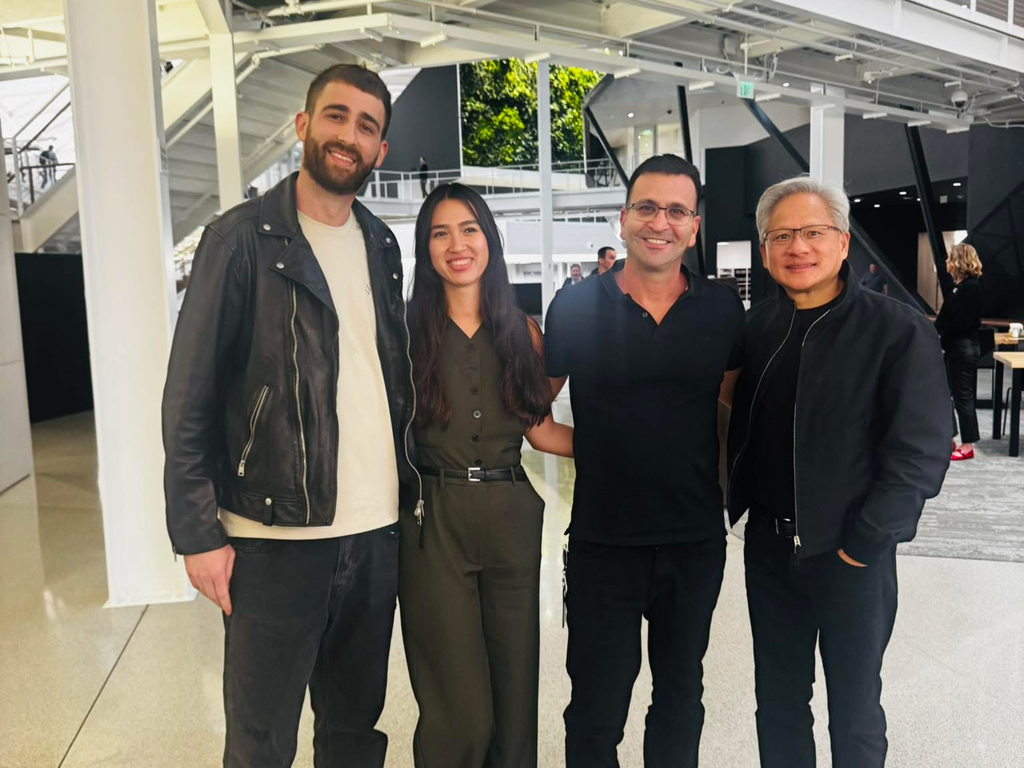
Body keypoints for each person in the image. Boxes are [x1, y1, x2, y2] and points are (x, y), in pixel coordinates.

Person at [162, 64, 416, 768]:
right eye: (336, 116)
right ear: (303, 126)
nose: (349, 135)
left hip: (374, 535)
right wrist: (196, 531)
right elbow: (189, 397)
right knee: (261, 738)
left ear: (380, 150)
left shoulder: (381, 245)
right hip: (272, 539)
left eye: (367, 126)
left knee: (354, 730)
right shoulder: (240, 240)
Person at [725, 176, 951, 768]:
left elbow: (921, 451)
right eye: (782, 236)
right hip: (771, 553)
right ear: (766, 249)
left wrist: (865, 543)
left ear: (843, 243)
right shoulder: (757, 330)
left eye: (813, 232)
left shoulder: (896, 330)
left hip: (852, 555)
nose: (798, 247)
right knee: (777, 703)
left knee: (854, 711)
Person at [545, 154, 745, 768]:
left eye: (677, 210)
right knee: (596, 707)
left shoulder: (720, 311)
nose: (660, 222)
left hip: (693, 540)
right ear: (623, 218)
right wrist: (605, 444)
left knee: (682, 695)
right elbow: (532, 416)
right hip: (605, 543)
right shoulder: (575, 307)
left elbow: (727, 414)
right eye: (647, 207)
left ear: (694, 225)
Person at [399, 182, 574, 768]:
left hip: (512, 518)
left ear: (490, 241)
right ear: (425, 248)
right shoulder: (403, 333)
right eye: (440, 232)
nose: (457, 244)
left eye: (469, 229)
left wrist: (627, 448)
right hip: (434, 523)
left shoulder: (521, 332)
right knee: (461, 711)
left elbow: (541, 430)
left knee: (515, 695)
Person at [935, 242, 984, 461]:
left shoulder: (971, 288)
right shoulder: (959, 287)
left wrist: (943, 338)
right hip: (954, 346)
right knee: (946, 394)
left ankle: (967, 445)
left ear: (958, 261)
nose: (946, 262)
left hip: (963, 347)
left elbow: (963, 323)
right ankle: (950, 438)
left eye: (949, 258)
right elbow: (944, 318)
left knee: (962, 396)